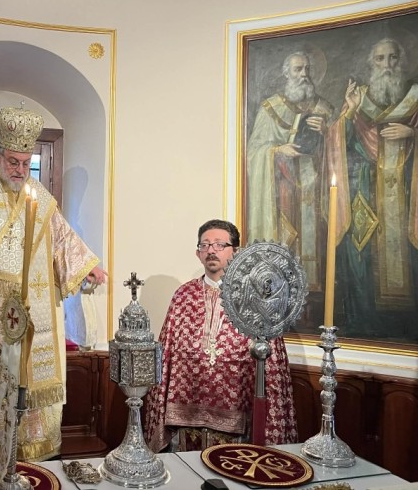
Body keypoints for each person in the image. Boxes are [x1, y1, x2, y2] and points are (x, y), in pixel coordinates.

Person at [0, 106, 107, 463]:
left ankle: (33, 449)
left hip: (34, 305)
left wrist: (88, 266)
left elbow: (63, 239)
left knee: (30, 377)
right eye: (14, 162)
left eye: (26, 163)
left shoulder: (40, 197)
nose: (20, 170)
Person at [144, 219, 297, 452]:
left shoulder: (254, 297)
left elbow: (271, 362)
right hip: (186, 411)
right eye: (204, 245)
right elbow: (165, 355)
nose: (211, 251)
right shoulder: (183, 295)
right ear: (198, 253)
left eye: (219, 244)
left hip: (237, 412)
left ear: (235, 251)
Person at [325, 38, 418, 338]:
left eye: (393, 57)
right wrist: (348, 114)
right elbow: (336, 142)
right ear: (371, 64)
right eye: (380, 59)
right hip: (363, 198)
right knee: (362, 258)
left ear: (402, 61)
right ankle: (364, 325)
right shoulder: (359, 98)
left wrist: (412, 132)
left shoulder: (415, 96)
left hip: (406, 198)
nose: (387, 64)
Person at [247, 51, 334, 290]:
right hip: (282, 190)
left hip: (313, 189)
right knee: (287, 237)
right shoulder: (271, 108)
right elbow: (253, 152)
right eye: (298, 69)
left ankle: (314, 296)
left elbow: (340, 155)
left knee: (313, 242)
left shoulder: (324, 109)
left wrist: (327, 132)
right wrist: (277, 150)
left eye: (307, 69)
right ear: (286, 74)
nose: (304, 74)